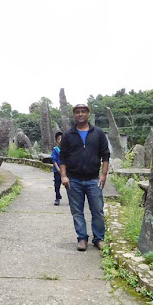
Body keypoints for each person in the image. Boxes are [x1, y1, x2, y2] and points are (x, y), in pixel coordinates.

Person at [59, 104, 110, 251]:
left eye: (83, 112)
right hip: (73, 180)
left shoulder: (98, 133)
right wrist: (63, 175)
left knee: (98, 210)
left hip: (93, 179)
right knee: (77, 211)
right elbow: (63, 157)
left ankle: (98, 238)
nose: (80, 114)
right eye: (77, 112)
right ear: (74, 115)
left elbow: (105, 154)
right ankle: (82, 238)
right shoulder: (68, 135)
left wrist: (104, 174)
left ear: (88, 114)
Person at [51, 131, 63, 205]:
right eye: (59, 139)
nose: (61, 140)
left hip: (66, 171)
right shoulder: (55, 150)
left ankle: (72, 199)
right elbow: (54, 160)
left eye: (62, 139)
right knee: (57, 184)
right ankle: (57, 198)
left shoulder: (67, 149)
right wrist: (58, 169)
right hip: (57, 170)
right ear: (56, 141)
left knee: (69, 185)